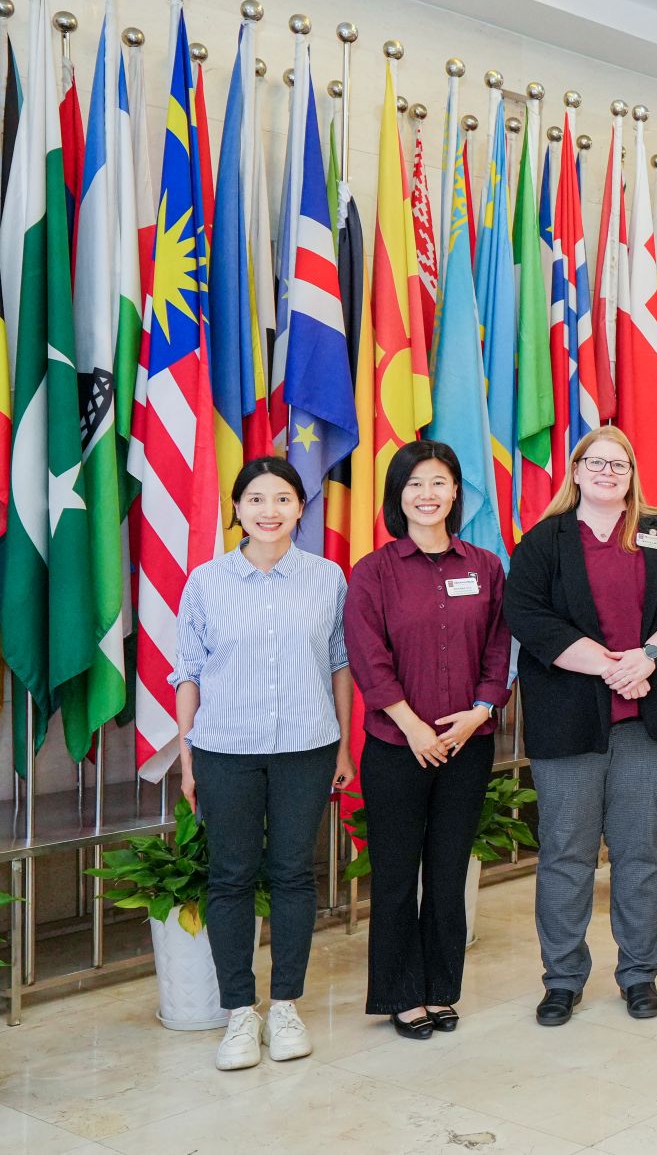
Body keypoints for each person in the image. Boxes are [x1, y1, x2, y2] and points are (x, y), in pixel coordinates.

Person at [505, 426, 657, 1027]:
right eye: (595, 462)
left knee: (641, 852)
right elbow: (526, 614)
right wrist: (610, 668)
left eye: (618, 464)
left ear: (632, 474)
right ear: (575, 470)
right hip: (569, 722)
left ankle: (639, 974)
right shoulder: (545, 540)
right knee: (566, 854)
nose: (607, 472)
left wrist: (646, 658)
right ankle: (562, 979)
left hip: (650, 721)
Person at [171, 457, 351, 1071]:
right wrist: (188, 759)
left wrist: (343, 745)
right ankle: (239, 1013)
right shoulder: (206, 582)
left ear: (301, 507)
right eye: (255, 499)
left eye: (282, 499)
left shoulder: (327, 578)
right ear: (237, 508)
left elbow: (339, 664)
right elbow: (188, 674)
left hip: (307, 746)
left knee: (295, 874)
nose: (268, 510)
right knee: (231, 878)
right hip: (225, 750)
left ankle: (286, 1006)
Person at [344, 440, 511, 1040]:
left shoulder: (484, 567)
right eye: (414, 483)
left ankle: (440, 988)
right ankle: (401, 995)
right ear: (398, 495)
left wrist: (480, 711)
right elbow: (368, 656)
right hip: (397, 745)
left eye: (439, 482)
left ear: (456, 491)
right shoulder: (374, 571)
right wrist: (413, 726)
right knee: (395, 874)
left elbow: (499, 646)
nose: (427, 494)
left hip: (467, 743)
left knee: (447, 870)